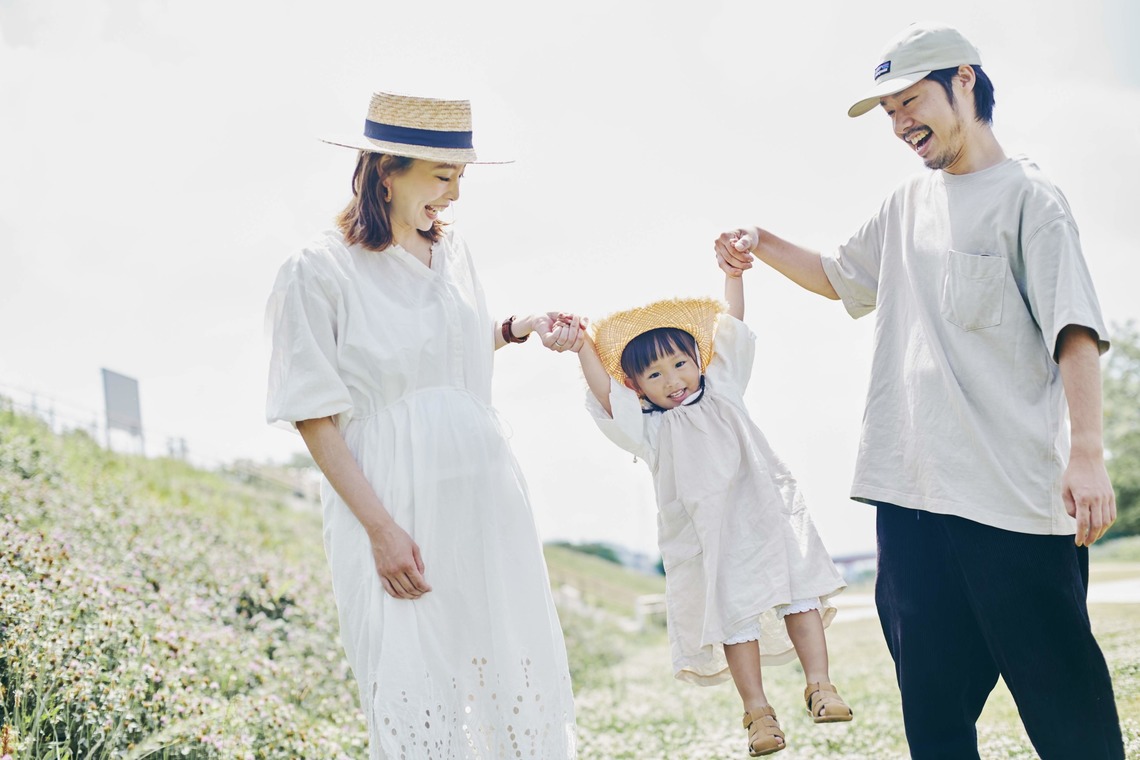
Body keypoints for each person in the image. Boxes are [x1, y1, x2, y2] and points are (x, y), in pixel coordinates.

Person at [715, 22, 1124, 760]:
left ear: (964, 80)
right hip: (909, 503)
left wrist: (1087, 453)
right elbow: (840, 277)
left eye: (911, 101)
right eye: (890, 113)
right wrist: (760, 243)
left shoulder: (1030, 198)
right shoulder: (904, 205)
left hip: (1012, 505)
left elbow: (1075, 331)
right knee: (933, 721)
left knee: (1070, 714)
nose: (902, 123)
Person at [264, 90, 581, 759]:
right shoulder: (318, 270)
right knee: (414, 672)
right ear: (386, 169)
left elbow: (441, 355)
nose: (455, 194)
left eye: (460, 177)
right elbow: (313, 413)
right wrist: (380, 529)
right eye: (443, 176)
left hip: (484, 491)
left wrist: (516, 329)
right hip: (394, 499)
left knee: (504, 649)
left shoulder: (455, 253)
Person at [565, 257, 850, 757]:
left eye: (680, 363)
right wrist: (583, 345)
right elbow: (605, 395)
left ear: (700, 359)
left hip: (766, 516)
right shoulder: (648, 428)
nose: (673, 379)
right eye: (655, 374)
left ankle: (820, 685)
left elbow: (733, 327)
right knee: (734, 619)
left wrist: (734, 275)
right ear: (637, 385)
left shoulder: (723, 387)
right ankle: (758, 713)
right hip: (708, 537)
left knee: (799, 595)